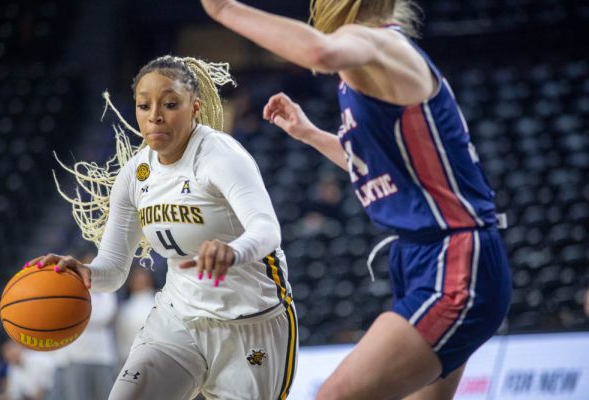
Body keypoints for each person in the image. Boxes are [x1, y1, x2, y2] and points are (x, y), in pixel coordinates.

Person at [199, 1, 512, 399]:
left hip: (455, 259)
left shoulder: (378, 41)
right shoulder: (376, 60)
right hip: (429, 256)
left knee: (335, 395)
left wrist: (225, 10)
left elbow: (319, 52)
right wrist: (310, 134)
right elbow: (373, 165)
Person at [25, 56, 297, 400]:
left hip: (251, 322)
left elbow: (268, 229)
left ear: (194, 107)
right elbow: (113, 270)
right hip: (178, 319)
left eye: (170, 104)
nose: (155, 115)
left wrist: (233, 250)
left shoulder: (221, 156)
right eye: (144, 105)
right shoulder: (135, 175)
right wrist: (86, 274)